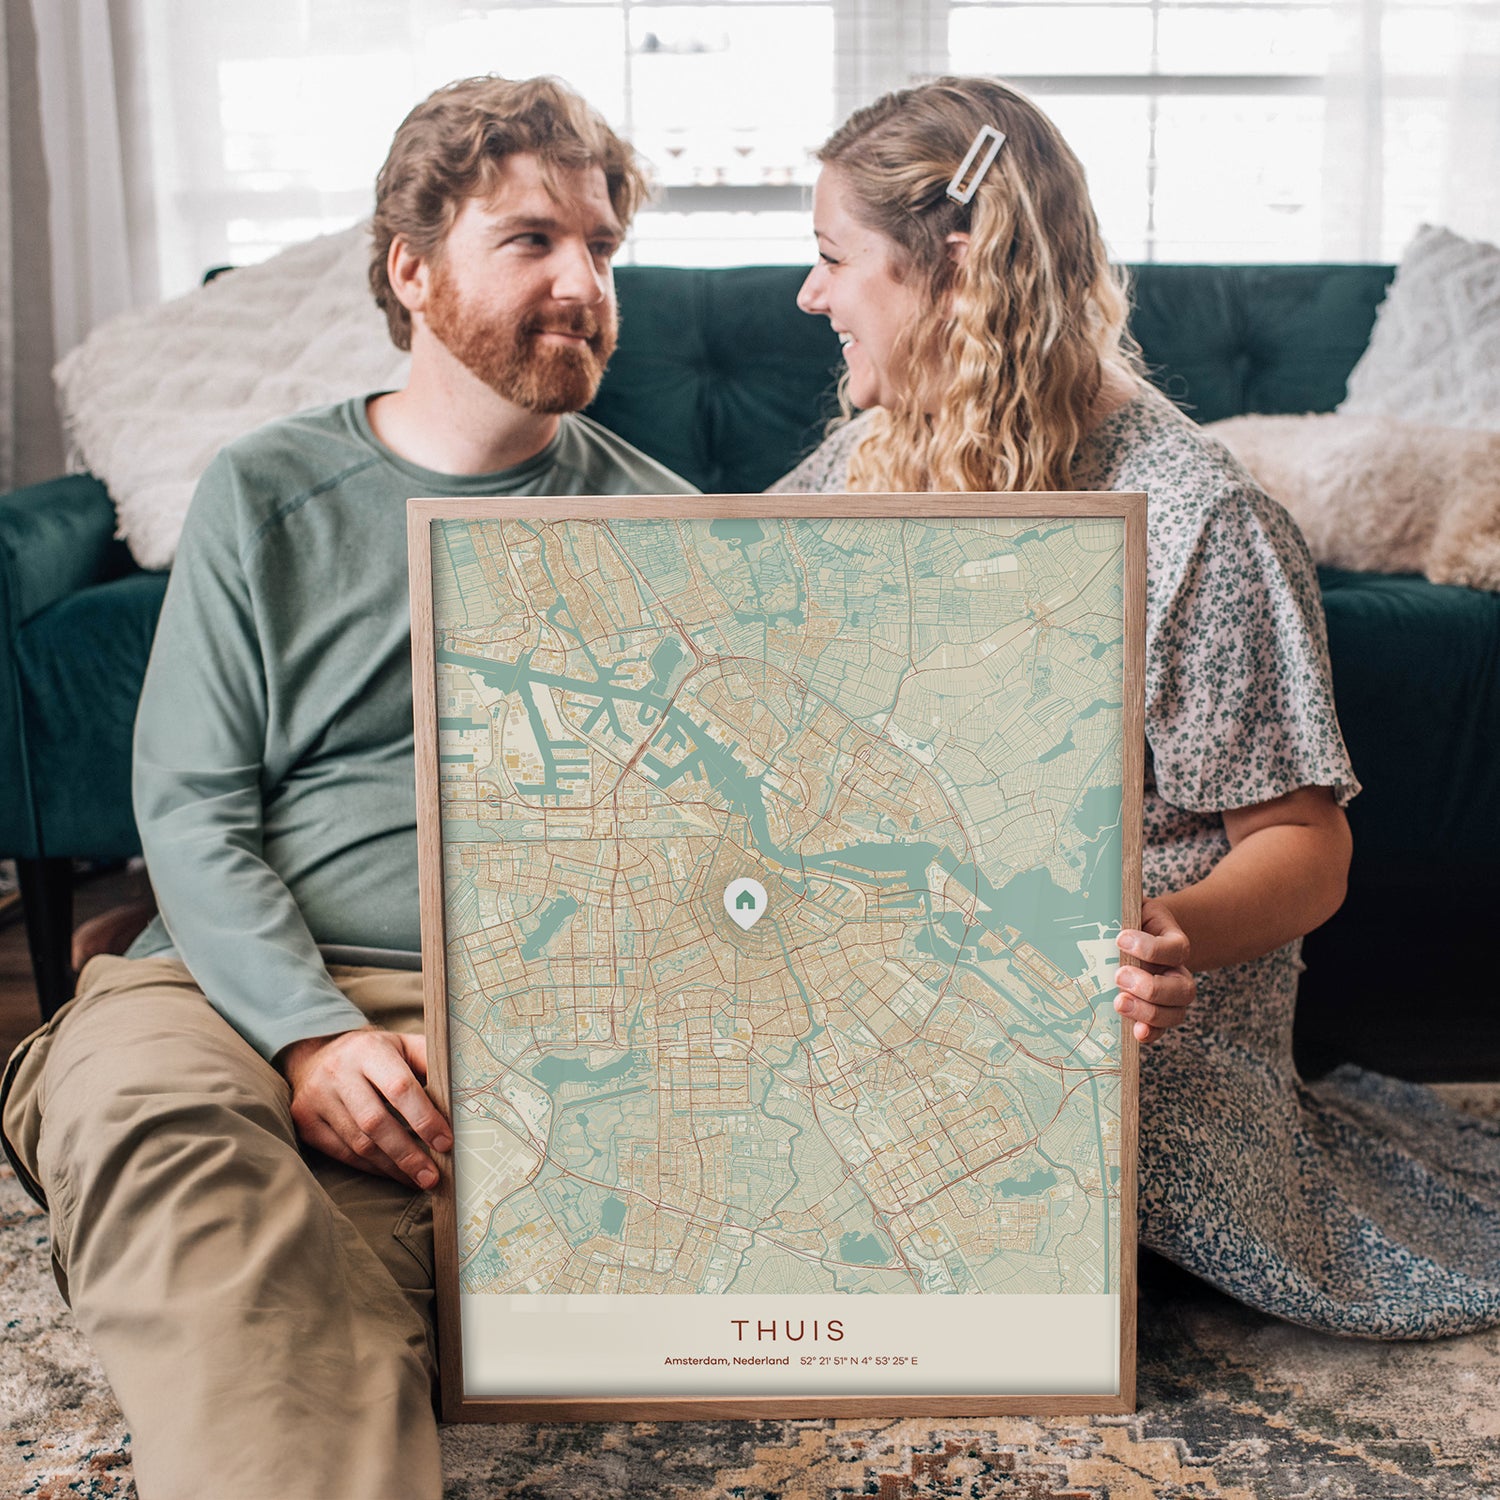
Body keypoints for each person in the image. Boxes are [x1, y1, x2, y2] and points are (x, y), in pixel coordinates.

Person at [1, 75, 693, 1500]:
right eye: (533, 241)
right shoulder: (265, 487)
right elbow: (190, 808)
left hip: (511, 1028)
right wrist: (312, 1037)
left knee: (317, 1289)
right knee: (163, 1141)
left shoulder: (672, 529)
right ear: (412, 270)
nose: (583, 285)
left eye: (603, 248)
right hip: (221, 989)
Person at [772, 76, 1500, 1338]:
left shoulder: (1201, 519)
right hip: (925, 960)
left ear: (953, 268)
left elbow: (1307, 843)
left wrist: (1168, 936)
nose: (810, 294)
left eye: (834, 258)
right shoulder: (875, 450)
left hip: (1117, 1025)